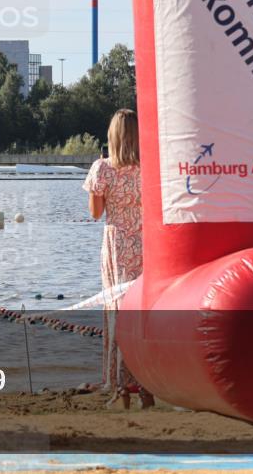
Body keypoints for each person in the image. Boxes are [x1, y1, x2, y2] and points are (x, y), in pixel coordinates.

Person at [82, 109, 152, 409]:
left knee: (117, 314)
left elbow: (95, 214)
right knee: (141, 315)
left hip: (117, 244)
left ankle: (119, 386)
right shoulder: (149, 167)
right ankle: (146, 385)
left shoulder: (103, 168)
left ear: (112, 136)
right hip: (147, 243)